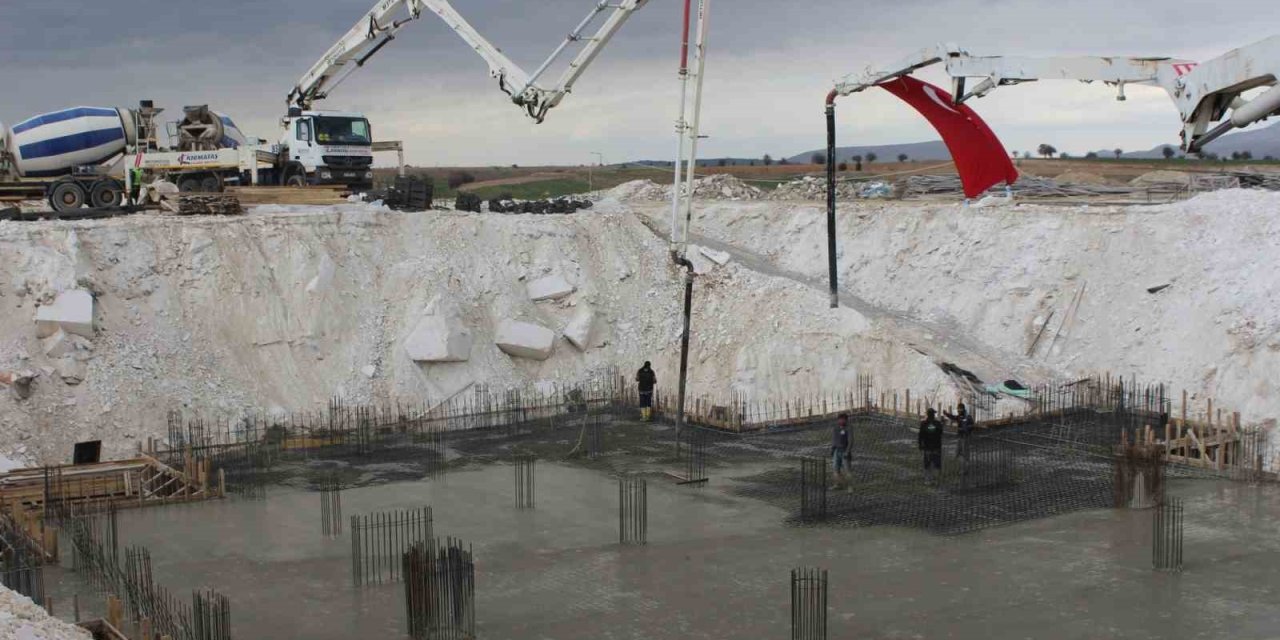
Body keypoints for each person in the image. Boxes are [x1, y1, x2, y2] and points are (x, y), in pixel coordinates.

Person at [919, 408, 945, 484]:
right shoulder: (937, 424)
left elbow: (921, 435)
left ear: (927, 414)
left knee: (927, 463)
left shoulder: (924, 424)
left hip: (927, 446)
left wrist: (920, 444)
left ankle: (928, 479)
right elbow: (940, 433)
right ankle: (936, 480)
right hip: (936, 446)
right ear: (933, 415)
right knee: (936, 463)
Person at [830, 414, 852, 490]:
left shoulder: (848, 428)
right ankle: (837, 484)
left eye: (843, 419)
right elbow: (833, 439)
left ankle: (850, 486)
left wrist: (847, 451)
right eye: (840, 419)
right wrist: (832, 450)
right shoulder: (835, 428)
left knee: (847, 470)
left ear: (846, 420)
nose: (841, 421)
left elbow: (850, 441)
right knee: (835, 469)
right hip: (836, 451)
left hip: (844, 450)